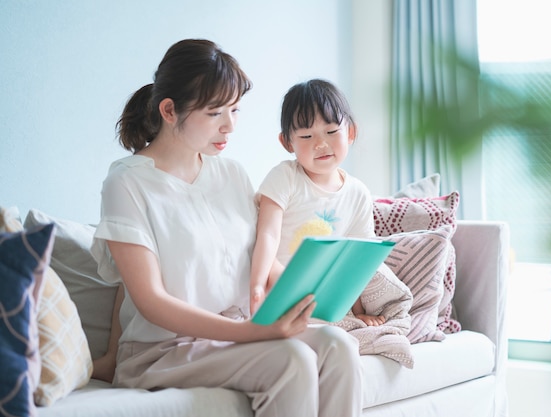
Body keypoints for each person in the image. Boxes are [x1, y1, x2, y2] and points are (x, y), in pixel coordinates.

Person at [90, 39, 362, 417]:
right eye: (216, 111)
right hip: (164, 350)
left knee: (339, 346)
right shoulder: (127, 182)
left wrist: (306, 296)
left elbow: (259, 262)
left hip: (233, 335)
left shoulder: (231, 173)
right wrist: (255, 333)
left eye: (234, 109)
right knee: (290, 360)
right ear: (169, 111)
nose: (230, 124)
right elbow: (147, 298)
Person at [249, 79, 385, 326]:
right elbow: (267, 235)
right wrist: (257, 285)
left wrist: (358, 311)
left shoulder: (358, 193)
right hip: (278, 291)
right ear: (287, 143)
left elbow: (356, 261)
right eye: (306, 135)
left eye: (331, 132)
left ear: (350, 132)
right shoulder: (285, 177)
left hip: (325, 301)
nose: (321, 144)